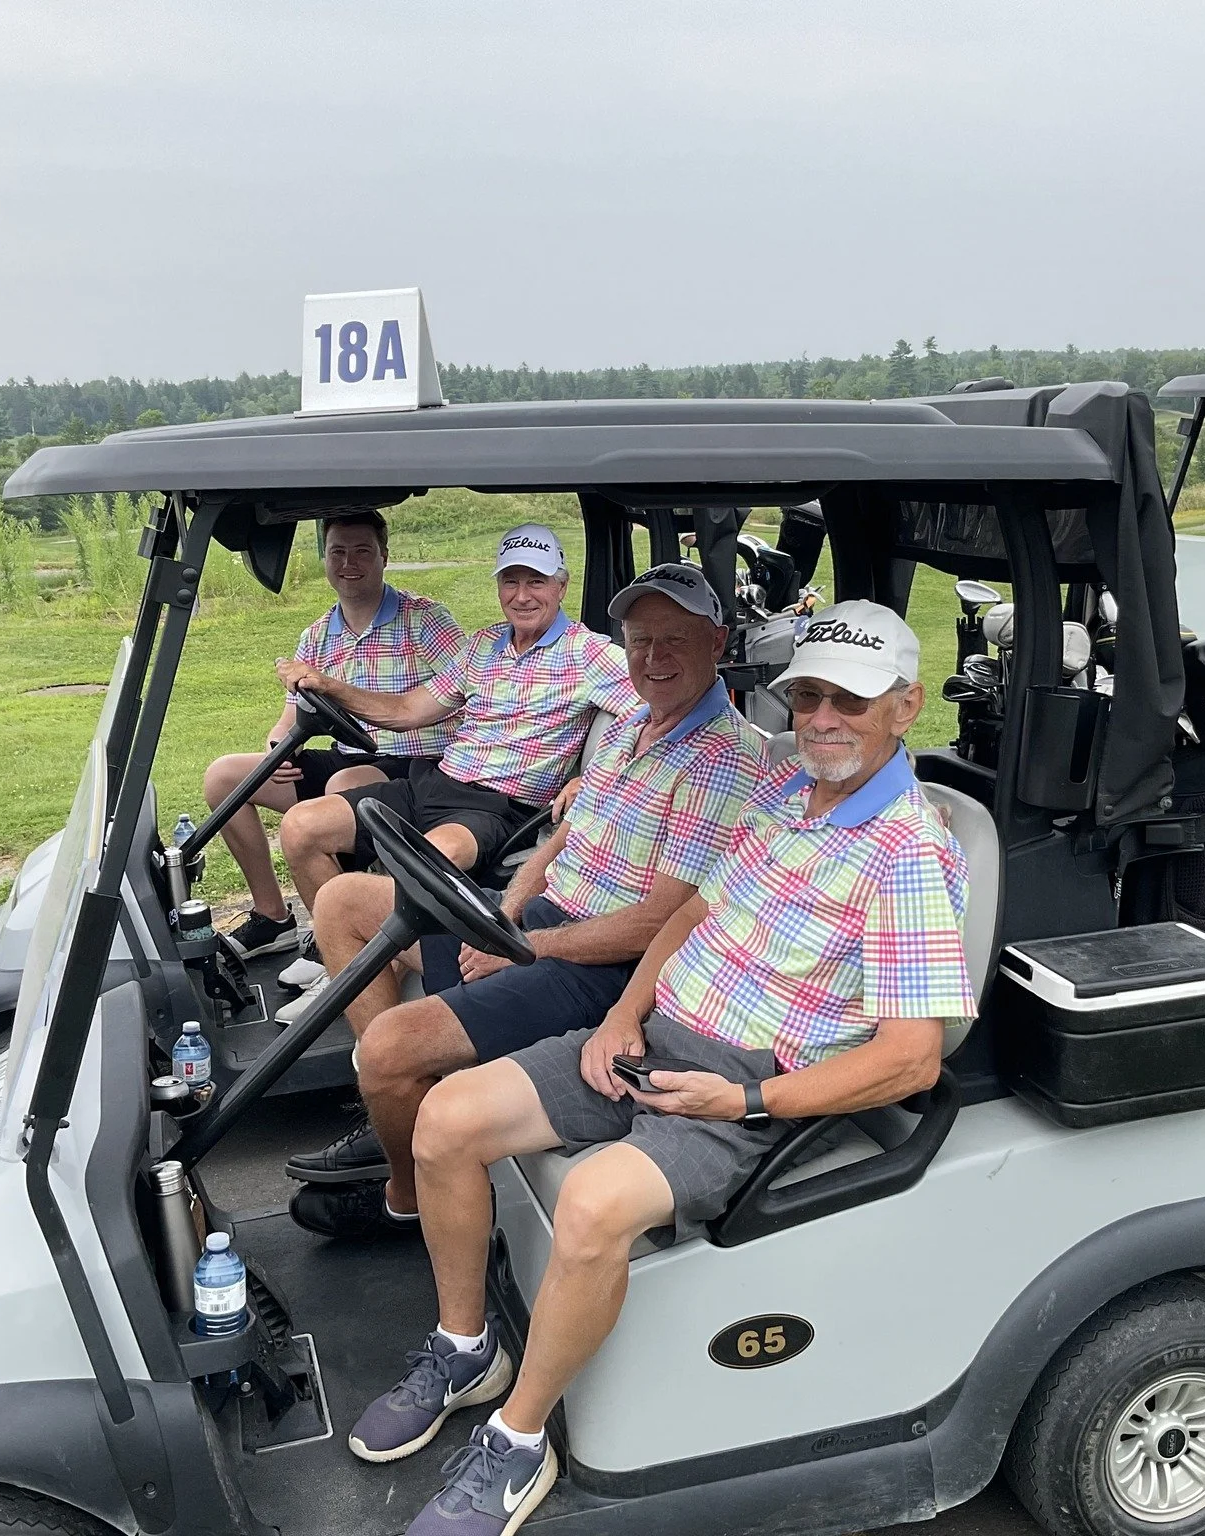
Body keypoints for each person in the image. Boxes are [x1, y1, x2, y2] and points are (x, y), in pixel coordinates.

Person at [347, 600, 975, 1536]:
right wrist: (624, 1017)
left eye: (849, 699)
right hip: (656, 1045)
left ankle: (519, 1445)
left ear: (905, 706)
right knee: (445, 1119)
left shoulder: (911, 855)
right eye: (808, 697)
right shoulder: (784, 796)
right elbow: (688, 916)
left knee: (593, 1204)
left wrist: (748, 1094)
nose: (822, 718)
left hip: (744, 1098)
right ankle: (465, 1345)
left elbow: (911, 1057)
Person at [287, 563, 766, 1238]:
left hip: (602, 966)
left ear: (717, 643)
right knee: (342, 902)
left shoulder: (724, 758)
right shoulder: (637, 725)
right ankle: (400, 1106)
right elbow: (565, 836)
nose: (653, 657)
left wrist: (523, 947)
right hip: (544, 925)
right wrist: (505, 913)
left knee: (391, 1045)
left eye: (675, 639)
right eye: (639, 641)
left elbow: (660, 922)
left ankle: (406, 1196)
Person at [271, 524, 639, 1019]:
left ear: (561, 585)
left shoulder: (589, 653)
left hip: (496, 808)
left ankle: (362, 987)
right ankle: (350, 971)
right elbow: (405, 710)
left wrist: (593, 777)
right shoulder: (483, 646)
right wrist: (331, 687)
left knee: (423, 862)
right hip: (432, 782)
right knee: (301, 828)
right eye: (511, 581)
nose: (523, 595)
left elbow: (654, 710)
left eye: (537, 581)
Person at [200, 510, 463, 960]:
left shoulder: (425, 621)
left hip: (417, 766)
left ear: (384, 555)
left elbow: (469, 691)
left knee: (342, 785)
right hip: (348, 756)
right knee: (225, 777)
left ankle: (342, 933)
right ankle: (273, 917)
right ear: (324, 558)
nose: (349, 563)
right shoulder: (318, 635)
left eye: (362, 551)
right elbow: (289, 718)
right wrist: (276, 748)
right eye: (337, 552)